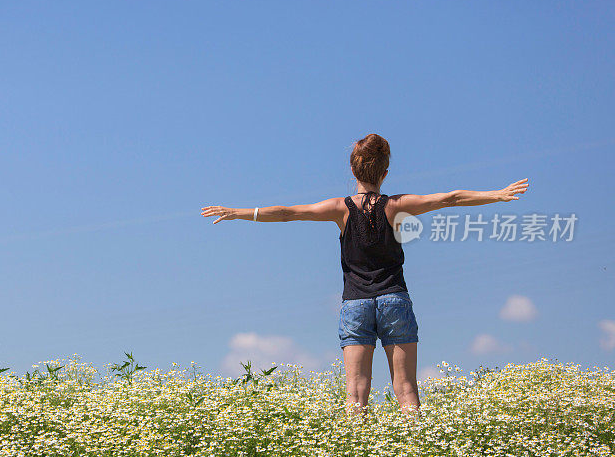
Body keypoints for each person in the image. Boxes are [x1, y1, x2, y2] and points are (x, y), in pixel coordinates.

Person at [200, 133, 529, 419]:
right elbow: (450, 198)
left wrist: (237, 213)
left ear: (353, 170)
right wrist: (497, 195)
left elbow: (288, 213)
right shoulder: (397, 204)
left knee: (356, 393)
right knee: (406, 389)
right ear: (385, 173)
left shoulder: (340, 208)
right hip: (394, 300)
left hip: (355, 304)